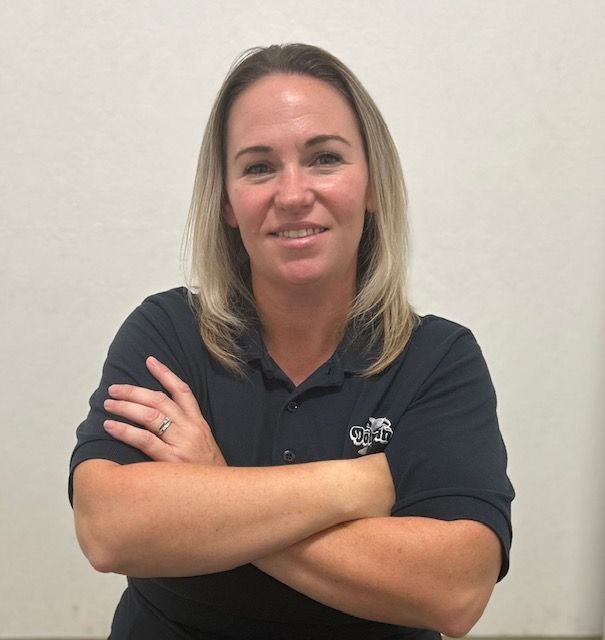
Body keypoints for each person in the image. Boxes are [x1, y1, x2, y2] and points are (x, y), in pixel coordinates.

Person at [69, 43, 514, 640]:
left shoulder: (438, 359)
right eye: (258, 167)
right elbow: (109, 527)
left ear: (373, 185)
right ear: (226, 201)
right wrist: (358, 484)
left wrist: (213, 486)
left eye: (324, 158)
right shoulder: (167, 332)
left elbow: (455, 588)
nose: (293, 193)